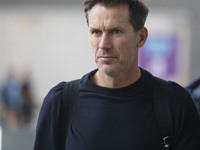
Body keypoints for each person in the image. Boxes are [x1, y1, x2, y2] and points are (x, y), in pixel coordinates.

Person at [34, 0, 200, 150]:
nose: (103, 45)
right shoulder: (60, 102)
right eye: (96, 32)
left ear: (141, 37)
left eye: (115, 32)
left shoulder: (175, 103)